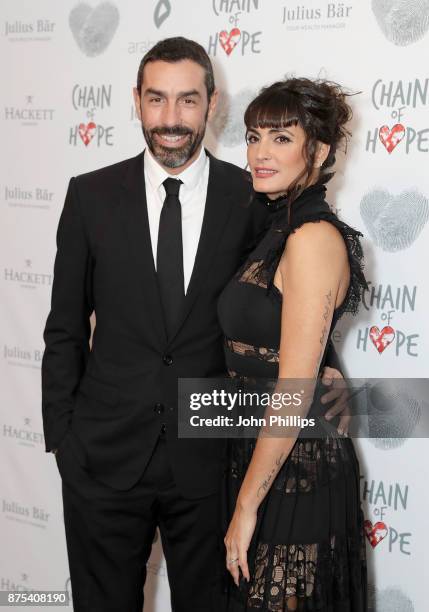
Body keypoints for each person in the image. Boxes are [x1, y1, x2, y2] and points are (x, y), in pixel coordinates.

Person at [41, 38, 349, 612]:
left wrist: (325, 364)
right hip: (103, 462)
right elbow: (63, 328)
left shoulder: (252, 195)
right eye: (157, 100)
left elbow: (285, 299)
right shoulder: (90, 197)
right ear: (136, 101)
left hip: (211, 464)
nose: (171, 118)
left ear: (212, 104)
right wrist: (64, 437)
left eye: (187, 100)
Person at [218, 78, 368, 610]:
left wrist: (246, 507)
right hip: (259, 452)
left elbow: (293, 389)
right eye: (255, 136)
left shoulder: (312, 240)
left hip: (297, 467)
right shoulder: (279, 226)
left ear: (319, 151)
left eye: (281, 138)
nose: (259, 152)